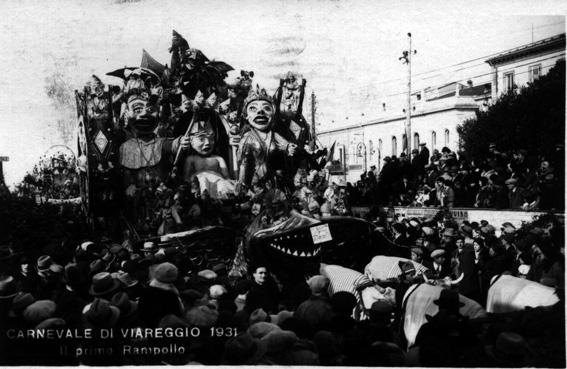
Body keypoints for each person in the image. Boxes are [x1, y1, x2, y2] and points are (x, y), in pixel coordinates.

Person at [237, 86, 297, 191]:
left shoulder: (273, 135)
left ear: (272, 115)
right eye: (253, 108)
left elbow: (285, 145)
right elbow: (243, 164)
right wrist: (242, 185)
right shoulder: (247, 138)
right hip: (254, 181)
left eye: (266, 108)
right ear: (246, 116)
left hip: (274, 180)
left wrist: (289, 147)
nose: (260, 111)